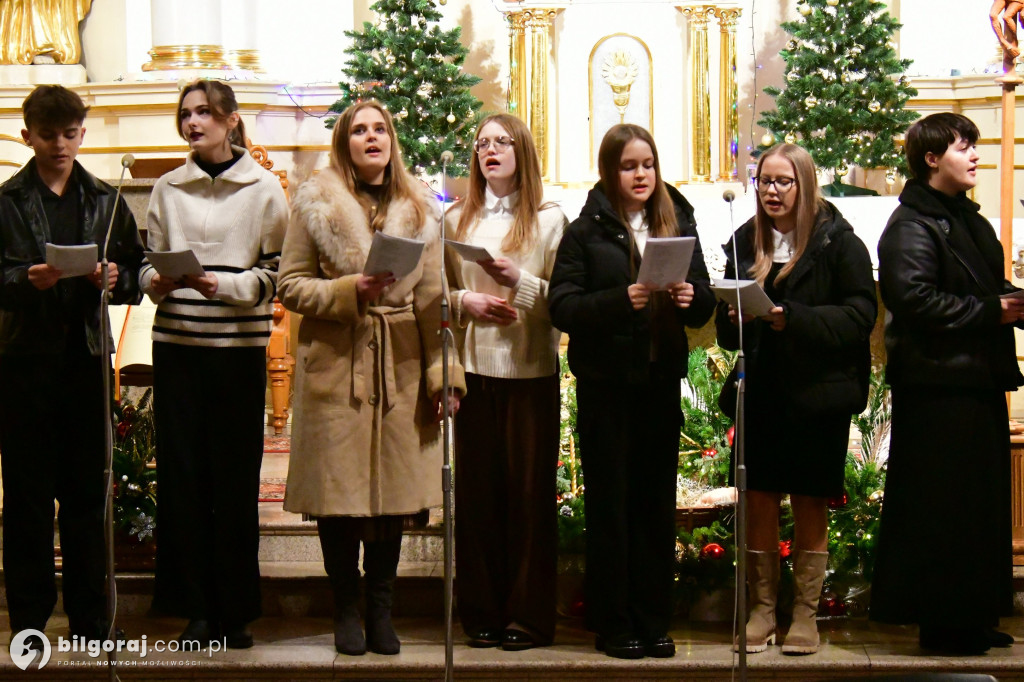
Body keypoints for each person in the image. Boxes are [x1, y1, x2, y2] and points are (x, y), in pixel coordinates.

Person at [279, 100, 465, 657]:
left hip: (402, 362)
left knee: (392, 499)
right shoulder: (314, 202)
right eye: (359, 130)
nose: (371, 137)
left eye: (380, 128)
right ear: (345, 143)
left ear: (392, 140)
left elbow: (434, 297)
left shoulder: (419, 208)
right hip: (338, 362)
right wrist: (345, 292)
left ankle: (381, 608)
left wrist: (444, 375)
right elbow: (289, 286)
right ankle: (345, 608)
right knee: (339, 496)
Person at [548, 123, 715, 659]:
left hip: (659, 383)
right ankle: (613, 621)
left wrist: (693, 297)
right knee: (612, 507)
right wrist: (624, 299)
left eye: (647, 164)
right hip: (608, 387)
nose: (640, 174)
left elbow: (707, 298)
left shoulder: (677, 218)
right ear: (610, 171)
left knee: (653, 506)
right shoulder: (587, 231)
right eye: (628, 166)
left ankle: (652, 619)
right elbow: (564, 306)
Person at [139, 79, 288, 649]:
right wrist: (160, 279)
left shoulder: (264, 187)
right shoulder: (167, 188)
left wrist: (218, 283)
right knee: (182, 481)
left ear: (229, 120)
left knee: (232, 481)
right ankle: (195, 607)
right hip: (177, 347)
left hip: (235, 353)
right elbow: (149, 269)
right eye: (186, 114)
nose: (193, 122)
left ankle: (237, 610)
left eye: (204, 113)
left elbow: (275, 274)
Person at [870, 113, 1023, 655]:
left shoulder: (968, 220)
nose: (976, 155)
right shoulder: (911, 225)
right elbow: (915, 301)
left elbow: (987, 288)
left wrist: (1013, 304)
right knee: (943, 509)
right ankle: (943, 623)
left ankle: (973, 615)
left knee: (978, 507)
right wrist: (994, 311)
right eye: (965, 146)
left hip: (974, 381)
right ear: (932, 159)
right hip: (936, 387)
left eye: (975, 146)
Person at [715, 143, 876, 655]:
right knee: (758, 497)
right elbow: (724, 328)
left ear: (804, 185)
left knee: (809, 499)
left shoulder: (838, 243)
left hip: (816, 394)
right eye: (765, 181)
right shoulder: (744, 241)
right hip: (762, 391)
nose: (772, 191)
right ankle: (763, 609)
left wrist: (794, 318)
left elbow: (859, 317)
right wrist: (734, 316)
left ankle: (804, 614)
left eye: (783, 182)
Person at [0, 84, 143, 643]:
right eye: (48, 134)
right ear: (27, 135)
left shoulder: (106, 201)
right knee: (28, 496)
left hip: (83, 362)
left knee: (88, 493)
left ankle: (91, 619)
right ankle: (31, 618)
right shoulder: (7, 201)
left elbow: (135, 272)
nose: (60, 145)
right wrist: (24, 280)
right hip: (22, 362)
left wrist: (114, 279)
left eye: (69, 134)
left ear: (81, 134)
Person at [446, 114, 567, 651]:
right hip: (472, 371)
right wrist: (467, 301)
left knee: (526, 497)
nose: (489, 151)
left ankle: (528, 615)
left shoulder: (549, 219)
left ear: (522, 150)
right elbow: (438, 298)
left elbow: (564, 305)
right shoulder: (455, 221)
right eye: (481, 144)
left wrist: (519, 284)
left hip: (529, 369)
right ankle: (481, 612)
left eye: (501, 142)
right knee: (477, 498)